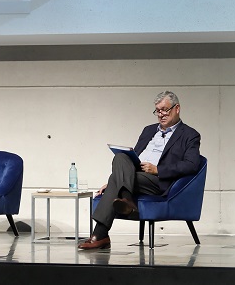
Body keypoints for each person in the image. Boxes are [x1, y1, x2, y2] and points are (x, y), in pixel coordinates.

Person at [78, 91, 202, 250]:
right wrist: (116, 177)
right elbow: (132, 160)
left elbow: (191, 164)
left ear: (177, 108)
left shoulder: (190, 135)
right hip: (137, 177)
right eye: (158, 110)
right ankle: (127, 200)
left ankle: (100, 235)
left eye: (165, 109)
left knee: (116, 178)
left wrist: (158, 170)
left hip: (159, 181)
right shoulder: (148, 130)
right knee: (121, 157)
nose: (161, 114)